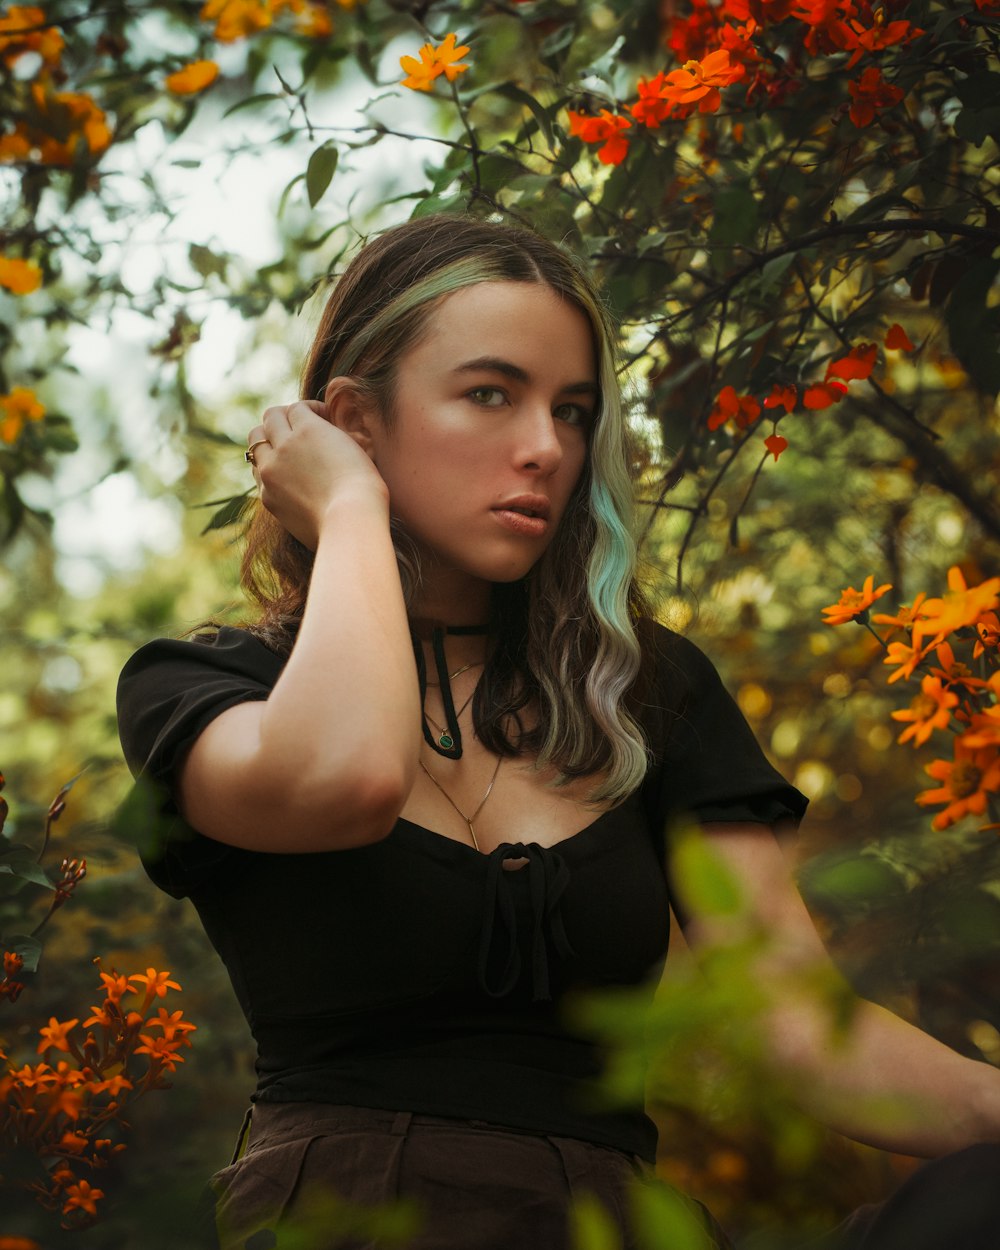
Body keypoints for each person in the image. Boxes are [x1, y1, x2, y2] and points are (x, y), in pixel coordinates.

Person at [117, 215, 1000, 1250]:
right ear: (353, 419)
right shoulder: (205, 689)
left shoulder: (644, 688)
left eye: (571, 410)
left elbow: (801, 1031)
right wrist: (352, 510)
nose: (547, 446)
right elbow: (345, 778)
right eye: (490, 393)